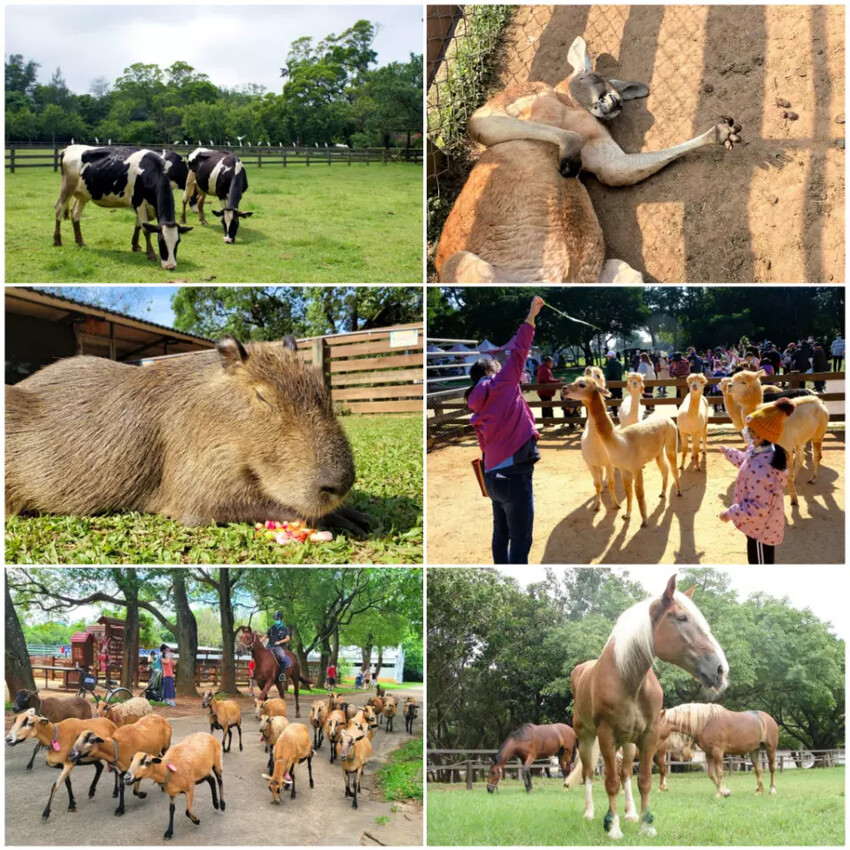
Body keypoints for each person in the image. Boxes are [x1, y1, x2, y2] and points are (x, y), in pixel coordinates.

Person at [466, 296, 544, 564]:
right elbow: (521, 349)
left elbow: (484, 445)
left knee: (501, 534)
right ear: (490, 371)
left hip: (493, 477)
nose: (500, 364)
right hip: (514, 474)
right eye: (495, 364)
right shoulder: (503, 384)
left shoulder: (477, 405)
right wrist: (531, 315)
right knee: (521, 540)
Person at [718, 400, 791, 564]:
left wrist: (730, 513)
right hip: (758, 525)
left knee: (759, 562)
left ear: (762, 435)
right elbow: (746, 462)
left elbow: (758, 507)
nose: (747, 433)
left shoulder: (763, 470)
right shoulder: (763, 451)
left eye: (751, 431)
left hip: (761, 530)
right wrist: (730, 453)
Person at [536, 355, 562, 427]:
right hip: (545, 392)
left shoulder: (544, 368)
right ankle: (546, 422)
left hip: (544, 391)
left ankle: (550, 421)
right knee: (546, 407)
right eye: (552, 362)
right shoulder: (545, 370)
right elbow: (548, 380)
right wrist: (558, 380)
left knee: (548, 406)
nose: (552, 364)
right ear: (549, 362)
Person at [266, 611, 291, 678]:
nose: (276, 620)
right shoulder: (271, 628)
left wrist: (280, 642)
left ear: (281, 619)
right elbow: (266, 636)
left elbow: (288, 638)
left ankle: (282, 674)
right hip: (269, 646)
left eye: (277, 619)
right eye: (275, 619)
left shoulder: (285, 628)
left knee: (282, 656)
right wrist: (260, 640)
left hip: (279, 647)